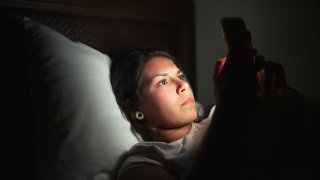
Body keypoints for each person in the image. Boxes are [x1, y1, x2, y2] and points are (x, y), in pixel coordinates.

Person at [110, 39, 320, 179]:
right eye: (163, 82)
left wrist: (280, 95)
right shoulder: (144, 161)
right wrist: (230, 105)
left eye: (180, 76)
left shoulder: (214, 115)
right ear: (135, 109)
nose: (183, 86)